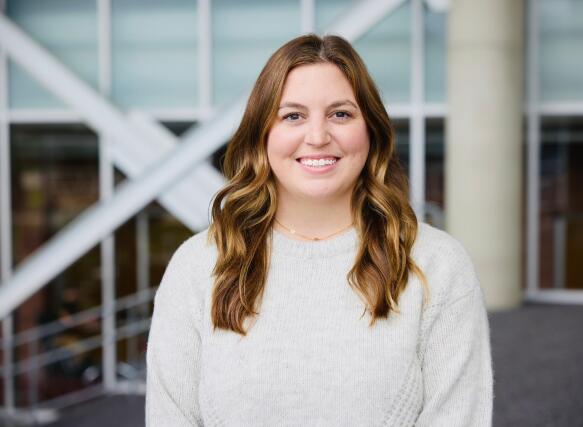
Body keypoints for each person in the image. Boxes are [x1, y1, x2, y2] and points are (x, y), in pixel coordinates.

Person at [145, 34, 493, 426]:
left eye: (340, 114)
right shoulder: (199, 265)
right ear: (263, 135)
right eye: (292, 115)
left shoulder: (437, 265)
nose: (317, 136)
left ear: (370, 131)